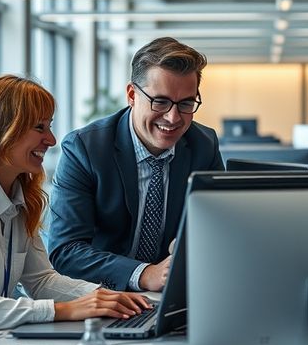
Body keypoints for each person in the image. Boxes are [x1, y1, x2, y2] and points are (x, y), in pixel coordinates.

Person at [0, 75, 151, 330]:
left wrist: (105, 297)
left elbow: (41, 280)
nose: (52, 140)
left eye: (49, 126)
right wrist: (63, 310)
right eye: (39, 127)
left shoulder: (20, 196)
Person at [48, 37, 224, 292]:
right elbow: (66, 251)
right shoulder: (85, 149)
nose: (173, 118)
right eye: (160, 101)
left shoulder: (203, 145)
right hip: (102, 296)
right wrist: (143, 274)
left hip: (173, 296)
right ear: (132, 95)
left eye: (185, 103)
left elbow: (217, 229)